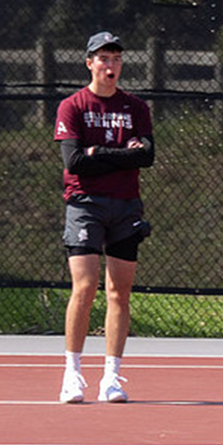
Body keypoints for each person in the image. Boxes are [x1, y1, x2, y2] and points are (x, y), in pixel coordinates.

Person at [55, 31, 154, 404]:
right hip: (85, 203)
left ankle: (111, 376)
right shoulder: (73, 106)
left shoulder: (136, 108)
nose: (110, 65)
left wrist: (100, 152)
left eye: (115, 58)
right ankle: (72, 374)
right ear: (89, 63)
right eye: (103, 58)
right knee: (84, 286)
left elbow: (146, 155)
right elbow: (74, 161)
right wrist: (118, 152)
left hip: (126, 205)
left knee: (119, 291)